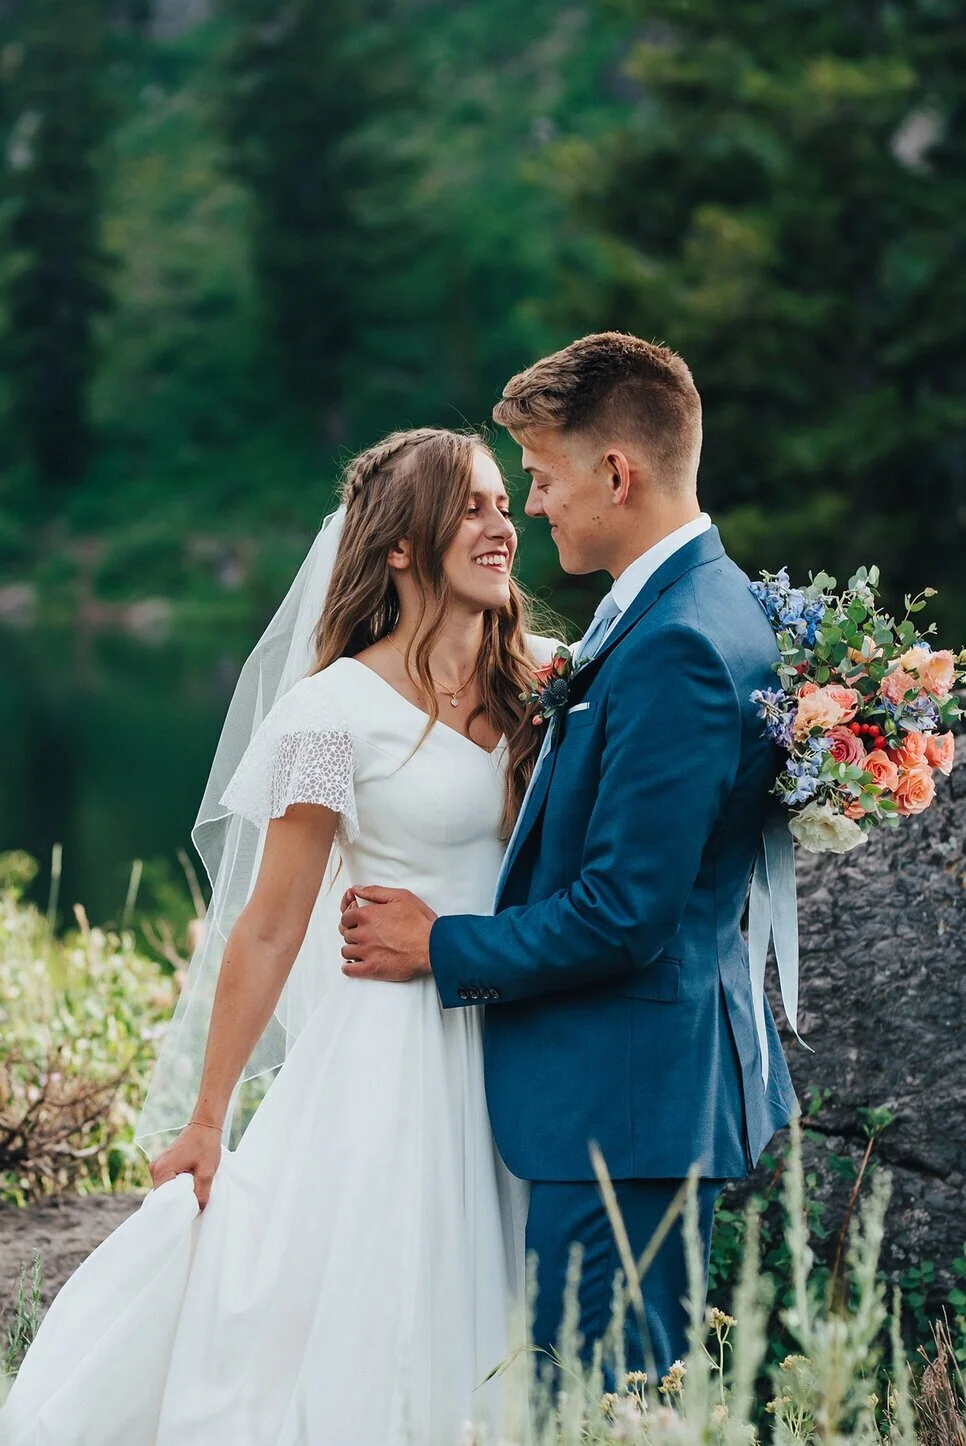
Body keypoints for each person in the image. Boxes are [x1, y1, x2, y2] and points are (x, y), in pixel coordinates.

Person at [0, 427, 549, 1446]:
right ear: (404, 545)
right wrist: (203, 1116)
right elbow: (266, 927)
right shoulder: (330, 710)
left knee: (491, 1298)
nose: (501, 522)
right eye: (468, 507)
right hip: (381, 1060)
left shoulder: (545, 680)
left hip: (507, 1039)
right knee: (363, 1306)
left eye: (501, 502)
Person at [340, 332, 797, 1380]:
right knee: (613, 1400)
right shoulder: (682, 608)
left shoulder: (678, 641)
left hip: (625, 1107)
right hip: (630, 1102)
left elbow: (623, 912)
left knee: (599, 1417)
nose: (532, 507)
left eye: (541, 479)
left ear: (616, 473)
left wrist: (441, 943)